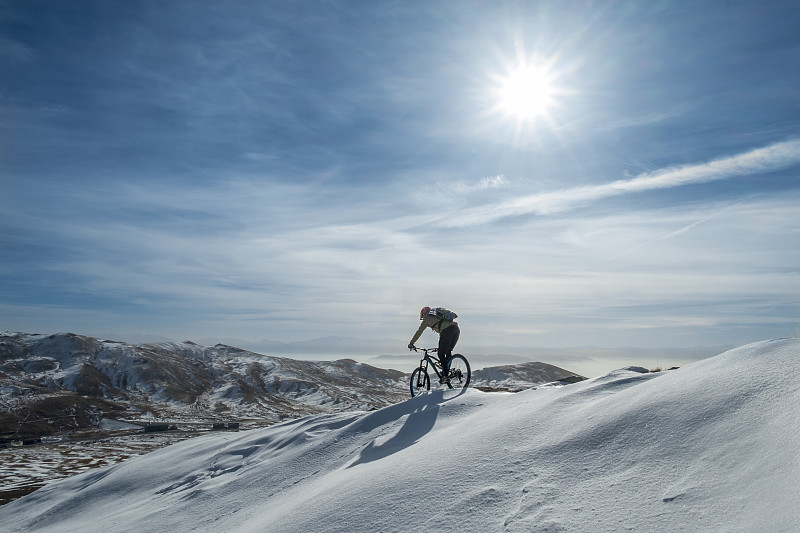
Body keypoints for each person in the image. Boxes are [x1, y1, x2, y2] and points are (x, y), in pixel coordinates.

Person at [408, 306, 460, 382]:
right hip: (456, 330)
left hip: (446, 332)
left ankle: (445, 376)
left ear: (424, 314)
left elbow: (419, 331)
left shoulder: (427, 318)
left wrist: (411, 343)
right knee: (448, 351)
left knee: (441, 353)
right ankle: (448, 371)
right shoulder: (438, 313)